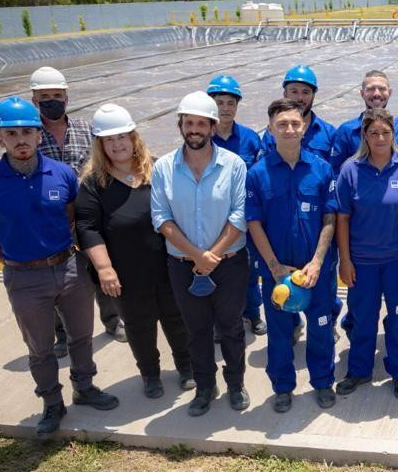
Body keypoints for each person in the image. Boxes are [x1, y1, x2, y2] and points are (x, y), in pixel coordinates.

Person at [0, 98, 119, 436]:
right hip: (24, 277)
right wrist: (5, 257)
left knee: (80, 336)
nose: (21, 139)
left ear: (38, 136)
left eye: (27, 132)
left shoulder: (61, 174)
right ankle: (51, 402)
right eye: (12, 133)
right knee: (40, 348)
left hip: (69, 268)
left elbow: (71, 216)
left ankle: (85, 387)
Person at [75, 104, 193, 399]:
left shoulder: (157, 169)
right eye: (109, 140)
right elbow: (88, 228)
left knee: (177, 320)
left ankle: (187, 367)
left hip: (168, 266)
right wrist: (104, 269)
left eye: (122, 137)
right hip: (125, 273)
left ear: (134, 138)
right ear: (100, 145)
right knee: (140, 328)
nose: (117, 144)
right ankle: (150, 374)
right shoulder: (94, 183)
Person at [151, 91, 250, 417]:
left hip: (230, 265)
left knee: (232, 327)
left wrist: (213, 256)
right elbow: (161, 218)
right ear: (181, 125)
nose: (194, 129)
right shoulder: (164, 167)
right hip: (182, 266)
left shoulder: (233, 165)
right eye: (188, 122)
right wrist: (197, 256)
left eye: (201, 123)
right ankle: (205, 386)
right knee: (196, 330)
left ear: (212, 126)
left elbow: (239, 215)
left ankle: (236, 383)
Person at [246, 99, 339, 412]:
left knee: (321, 327)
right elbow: (253, 222)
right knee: (280, 332)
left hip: (317, 272)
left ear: (304, 128)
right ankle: (283, 386)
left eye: (294, 124)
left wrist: (316, 262)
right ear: (270, 129)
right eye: (281, 124)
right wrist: (274, 267)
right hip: (277, 273)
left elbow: (330, 219)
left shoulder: (322, 169)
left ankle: (323, 381)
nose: (288, 129)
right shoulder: (257, 174)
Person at [29, 66, 125, 354]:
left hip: (89, 215)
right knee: (58, 278)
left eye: (57, 95)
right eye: (44, 96)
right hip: (49, 220)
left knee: (100, 269)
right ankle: (61, 335)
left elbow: (104, 164)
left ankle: (112, 320)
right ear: (34, 99)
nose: (52, 101)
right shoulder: (28, 133)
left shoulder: (86, 129)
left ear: (67, 97)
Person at [336, 109, 398, 400]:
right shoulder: (351, 170)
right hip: (362, 261)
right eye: (373, 133)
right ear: (364, 135)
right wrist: (345, 260)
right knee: (363, 317)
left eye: (385, 133)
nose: (380, 138)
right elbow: (342, 218)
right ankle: (359, 370)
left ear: (394, 135)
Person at [206, 74, 266, 338]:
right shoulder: (201, 139)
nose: (226, 107)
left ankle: (253, 314)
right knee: (217, 269)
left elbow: (261, 177)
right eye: (220, 102)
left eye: (231, 102)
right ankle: (223, 320)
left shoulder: (251, 139)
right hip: (213, 217)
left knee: (249, 268)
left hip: (247, 216)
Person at [329, 70, 398, 173]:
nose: (377, 93)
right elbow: (335, 172)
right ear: (362, 93)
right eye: (370, 89)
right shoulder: (345, 132)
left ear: (389, 92)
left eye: (382, 89)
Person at [260, 65, 336, 163]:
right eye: (294, 92)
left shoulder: (329, 133)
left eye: (306, 92)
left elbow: (334, 172)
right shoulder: (273, 133)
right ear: (285, 94)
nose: (300, 98)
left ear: (313, 95)